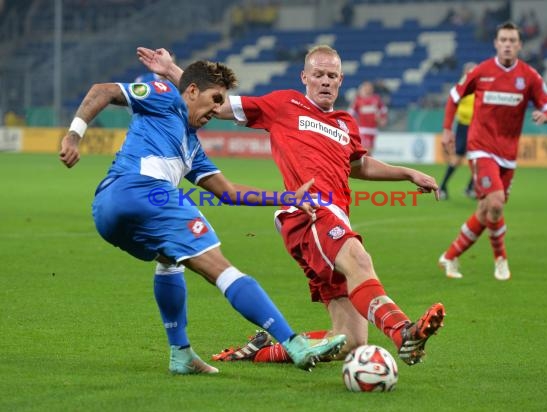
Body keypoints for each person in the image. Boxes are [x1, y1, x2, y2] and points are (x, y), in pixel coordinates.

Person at [137, 45, 445, 366]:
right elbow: (220, 103)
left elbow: (359, 166)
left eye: (332, 76)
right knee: (359, 259)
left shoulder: (344, 123)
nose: (325, 81)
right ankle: (403, 332)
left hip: (335, 218)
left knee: (351, 341)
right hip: (309, 212)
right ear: (305, 77)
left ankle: (262, 352)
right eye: (318, 75)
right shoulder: (284, 104)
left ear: (341, 80)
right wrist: (173, 70)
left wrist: (408, 173)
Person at [58, 60, 347, 375]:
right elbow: (104, 90)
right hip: (143, 191)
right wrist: (74, 136)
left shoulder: (192, 148)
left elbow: (229, 192)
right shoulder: (166, 94)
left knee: (168, 259)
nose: (216, 111)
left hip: (107, 209)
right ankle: (294, 343)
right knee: (221, 268)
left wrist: (288, 198)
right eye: (215, 100)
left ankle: (180, 353)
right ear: (192, 90)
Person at [438, 22, 547, 281]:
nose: (507, 44)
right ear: (496, 43)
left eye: (512, 40)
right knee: (495, 202)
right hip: (481, 148)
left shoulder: (529, 76)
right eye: (503, 39)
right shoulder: (481, 71)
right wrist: (447, 130)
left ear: (519, 45)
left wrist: (545, 115)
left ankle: (450, 256)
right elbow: (454, 96)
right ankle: (501, 260)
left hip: (509, 154)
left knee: (487, 210)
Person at [439, 62, 477, 201]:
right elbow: (452, 105)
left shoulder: (481, 88)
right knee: (458, 158)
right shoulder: (461, 88)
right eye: (470, 71)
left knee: (479, 159)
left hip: (478, 128)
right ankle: (442, 187)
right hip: (464, 126)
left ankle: (470, 188)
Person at [347, 80, 388, 151]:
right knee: (365, 149)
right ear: (363, 88)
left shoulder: (376, 98)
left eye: (370, 87)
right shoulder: (358, 100)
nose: (369, 89)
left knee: (371, 150)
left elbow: (383, 110)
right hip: (363, 129)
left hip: (373, 129)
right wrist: (353, 123)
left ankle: (367, 161)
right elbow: (350, 112)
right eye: (366, 87)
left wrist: (383, 119)